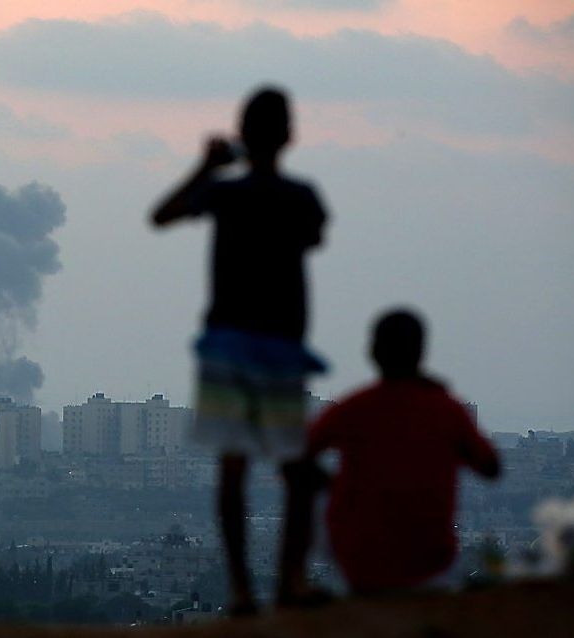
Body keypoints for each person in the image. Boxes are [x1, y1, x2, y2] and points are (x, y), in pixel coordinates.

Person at [150, 86, 330, 614]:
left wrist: (207, 166)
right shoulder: (301, 198)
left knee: (233, 471)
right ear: (290, 136)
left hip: (228, 345)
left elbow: (162, 215)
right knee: (296, 468)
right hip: (280, 348)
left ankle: (242, 590)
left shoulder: (225, 194)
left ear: (243, 135)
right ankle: (290, 582)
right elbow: (313, 238)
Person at [306, 309, 501, 594]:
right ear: (421, 353)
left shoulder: (353, 408)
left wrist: (332, 487)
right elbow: (491, 467)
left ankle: (294, 580)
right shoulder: (447, 410)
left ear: (372, 352)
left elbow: (297, 454)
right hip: (430, 559)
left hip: (359, 555)